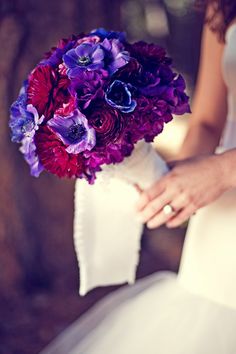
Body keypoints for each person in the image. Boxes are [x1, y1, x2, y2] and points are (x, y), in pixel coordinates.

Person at [41, 1, 236, 353]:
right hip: (223, 228)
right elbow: (208, 121)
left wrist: (223, 170)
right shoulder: (223, 7)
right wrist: (165, 182)